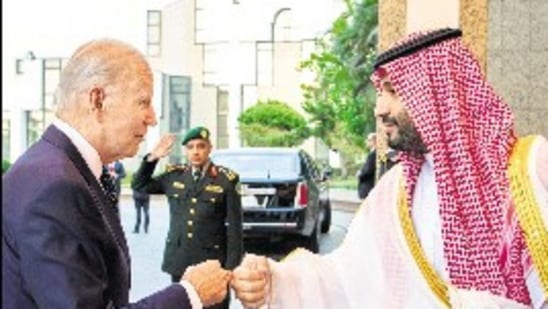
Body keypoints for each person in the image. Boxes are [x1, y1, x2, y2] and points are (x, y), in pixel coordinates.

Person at [230, 28, 548, 308]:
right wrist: (276, 282)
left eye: (395, 91)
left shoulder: (528, 169)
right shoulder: (395, 189)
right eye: (380, 93)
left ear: (440, 91)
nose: (379, 109)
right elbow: (348, 279)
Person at [2, 38, 231, 309]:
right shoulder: (56, 186)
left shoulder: (53, 167)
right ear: (97, 100)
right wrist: (190, 294)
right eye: (143, 102)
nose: (152, 118)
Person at [131, 126, 243, 309]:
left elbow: (234, 228)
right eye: (190, 147)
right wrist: (153, 157)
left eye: (201, 146)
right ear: (185, 150)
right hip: (180, 259)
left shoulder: (225, 180)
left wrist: (230, 268)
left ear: (209, 148)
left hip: (212, 262)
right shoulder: (175, 176)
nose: (196, 152)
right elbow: (139, 184)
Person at [357, 132, 377, 199]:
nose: (366, 141)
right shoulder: (372, 153)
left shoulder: (373, 154)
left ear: (374, 141)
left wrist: (360, 174)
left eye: (368, 140)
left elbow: (368, 170)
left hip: (368, 187)